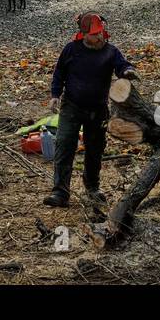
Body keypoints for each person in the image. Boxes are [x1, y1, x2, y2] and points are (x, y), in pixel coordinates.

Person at [43, 12, 138, 208]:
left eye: (101, 33)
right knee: (64, 146)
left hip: (97, 108)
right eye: (95, 35)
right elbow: (59, 72)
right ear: (84, 34)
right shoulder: (71, 50)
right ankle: (60, 192)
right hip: (72, 106)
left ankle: (93, 188)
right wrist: (55, 95)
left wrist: (127, 71)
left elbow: (121, 65)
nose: (100, 38)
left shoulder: (110, 51)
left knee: (95, 149)